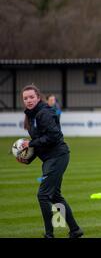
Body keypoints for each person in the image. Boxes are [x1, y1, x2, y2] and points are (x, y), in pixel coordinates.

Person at [18, 84, 83, 238]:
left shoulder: (43, 113)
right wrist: (28, 158)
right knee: (54, 196)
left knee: (43, 195)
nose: (28, 100)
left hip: (58, 156)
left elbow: (54, 136)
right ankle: (75, 230)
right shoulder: (31, 115)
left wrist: (31, 144)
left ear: (38, 97)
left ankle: (49, 234)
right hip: (49, 159)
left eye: (31, 97)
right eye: (25, 98)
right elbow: (39, 141)